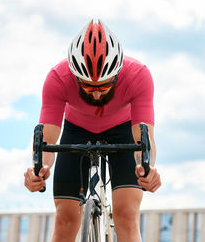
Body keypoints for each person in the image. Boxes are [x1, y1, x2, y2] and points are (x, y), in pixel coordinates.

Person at [23, 18, 161, 242]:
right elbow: (47, 141)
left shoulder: (138, 76)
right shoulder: (57, 78)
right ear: (74, 76)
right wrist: (40, 169)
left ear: (117, 73)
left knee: (127, 215)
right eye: (87, 87)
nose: (96, 95)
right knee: (64, 221)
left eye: (104, 86)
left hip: (123, 131)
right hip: (77, 131)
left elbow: (144, 139)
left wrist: (146, 168)